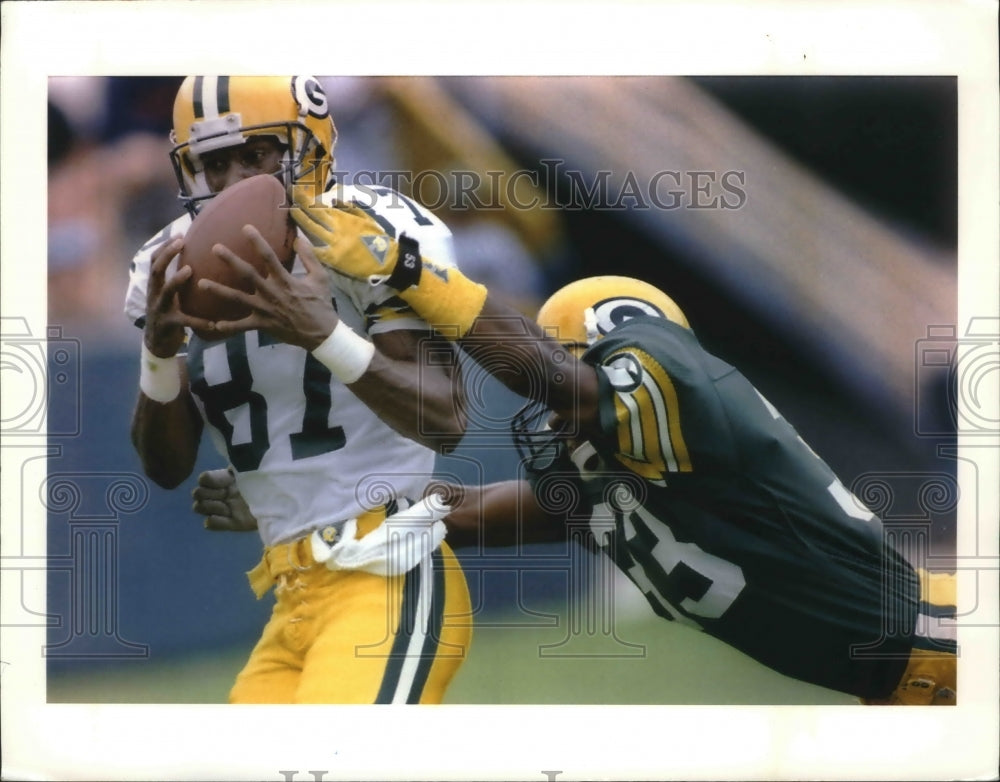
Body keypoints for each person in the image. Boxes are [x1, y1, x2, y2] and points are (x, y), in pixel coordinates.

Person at [202, 196, 957, 706]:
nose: (552, 418)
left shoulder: (684, 395)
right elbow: (456, 512)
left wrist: (412, 274)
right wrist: (294, 493)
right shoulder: (611, 476)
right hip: (898, 685)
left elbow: (565, 386)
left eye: (576, 365)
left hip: (954, 648)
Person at [126, 75, 472, 704]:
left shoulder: (367, 235)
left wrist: (323, 333)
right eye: (213, 163)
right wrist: (159, 350)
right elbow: (166, 467)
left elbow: (444, 419)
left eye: (255, 156)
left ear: (307, 148)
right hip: (289, 591)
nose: (234, 183)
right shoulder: (172, 260)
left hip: (385, 567)